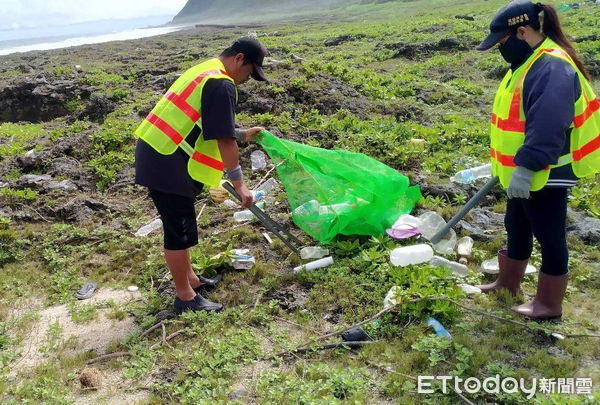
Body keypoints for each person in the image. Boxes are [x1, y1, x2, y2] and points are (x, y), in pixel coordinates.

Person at [474, 1, 599, 320]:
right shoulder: (528, 62)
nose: (502, 48)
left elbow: (548, 125)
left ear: (522, 31)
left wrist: (526, 168)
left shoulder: (552, 67)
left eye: (503, 41)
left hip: (546, 170)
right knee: (516, 224)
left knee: (548, 232)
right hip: (524, 169)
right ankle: (508, 283)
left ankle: (548, 304)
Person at [134, 37, 269, 315]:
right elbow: (223, 139)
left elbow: (204, 121)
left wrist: (242, 133)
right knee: (178, 229)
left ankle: (191, 280)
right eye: (250, 72)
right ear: (240, 59)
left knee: (180, 224)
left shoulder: (206, 70)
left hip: (158, 150)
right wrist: (240, 184)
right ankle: (185, 298)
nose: (248, 79)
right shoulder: (221, 83)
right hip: (167, 159)